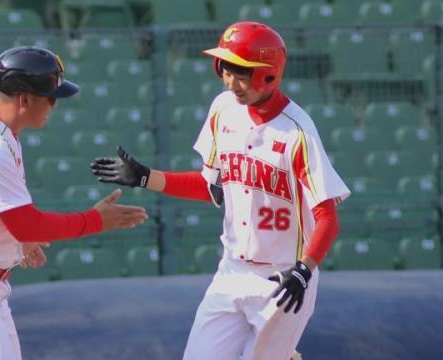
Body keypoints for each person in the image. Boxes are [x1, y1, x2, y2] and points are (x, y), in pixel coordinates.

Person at [90, 21, 350, 359]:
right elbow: (211, 187)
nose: (231, 80)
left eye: (242, 72)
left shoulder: (297, 133)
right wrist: (145, 177)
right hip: (232, 271)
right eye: (225, 68)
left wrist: (304, 270)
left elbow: (327, 217)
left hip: (282, 279)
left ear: (269, 74)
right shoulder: (223, 108)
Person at [0, 46, 148, 360]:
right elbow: (26, 224)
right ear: (24, 99)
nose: (54, 105)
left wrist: (18, 240)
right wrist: (97, 219)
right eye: (50, 97)